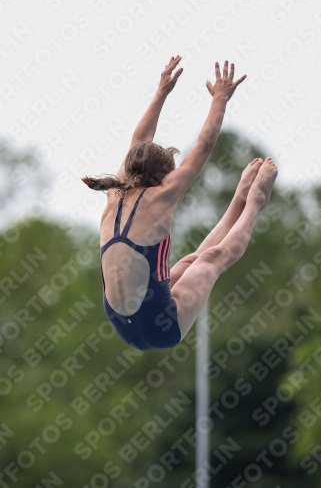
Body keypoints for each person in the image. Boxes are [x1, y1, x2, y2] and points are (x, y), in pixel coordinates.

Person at [81, 56, 278, 351]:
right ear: (164, 177)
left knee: (192, 261)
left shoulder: (115, 193)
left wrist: (161, 91)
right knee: (213, 259)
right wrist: (220, 99)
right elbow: (204, 145)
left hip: (123, 324)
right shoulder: (163, 193)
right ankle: (254, 201)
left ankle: (239, 197)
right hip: (161, 324)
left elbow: (139, 138)